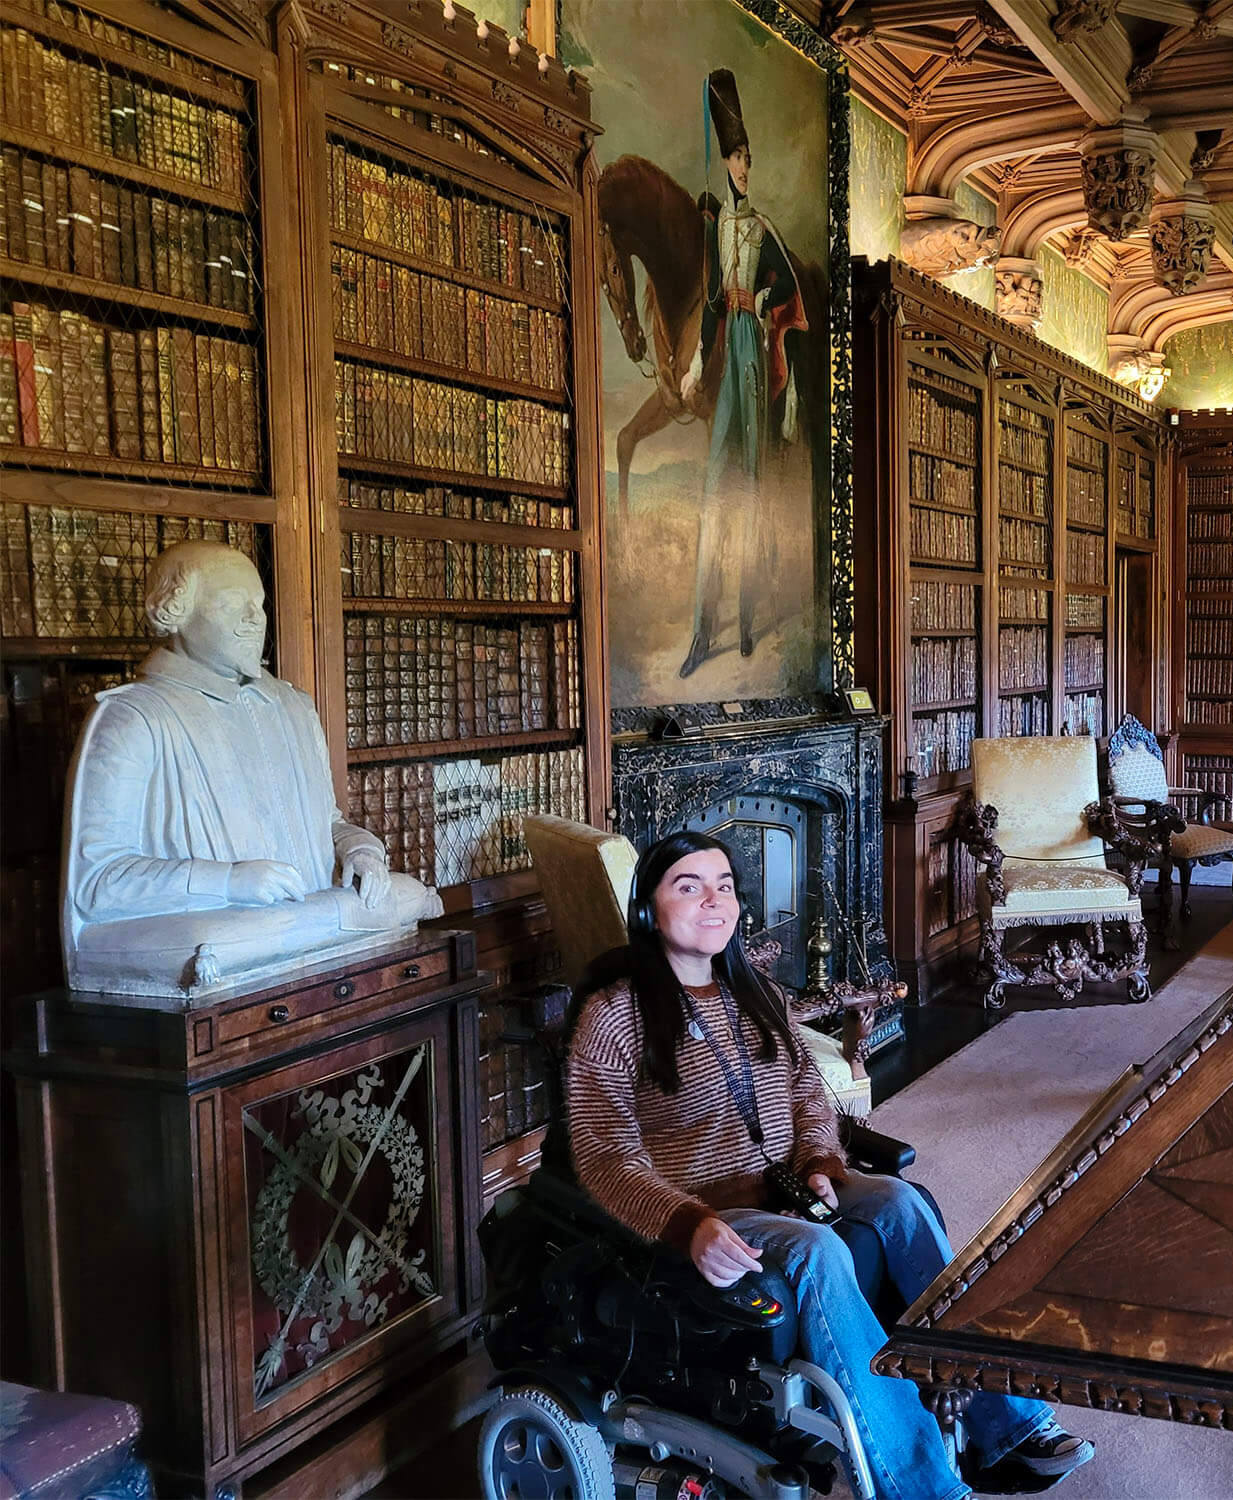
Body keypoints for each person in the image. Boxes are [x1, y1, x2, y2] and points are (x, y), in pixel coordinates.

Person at [564, 831, 1094, 1500]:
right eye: (689, 886)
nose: (713, 901)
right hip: (707, 1209)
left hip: (787, 1185)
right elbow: (604, 1157)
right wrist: (687, 1222)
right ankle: (919, 1484)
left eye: (724, 885)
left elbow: (810, 1095)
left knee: (898, 1203)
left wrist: (820, 1161)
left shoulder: (752, 991)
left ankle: (1009, 1424)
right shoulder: (613, 1016)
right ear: (648, 910)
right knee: (816, 1251)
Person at [63, 540, 439, 996]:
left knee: (403, 893)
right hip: (231, 932)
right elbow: (98, 884)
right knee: (226, 941)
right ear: (176, 613)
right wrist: (227, 881)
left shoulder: (292, 707)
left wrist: (361, 852)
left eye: (258, 604)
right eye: (231, 605)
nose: (254, 619)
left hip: (309, 928)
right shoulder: (132, 718)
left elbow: (328, 825)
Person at [676, 67, 807, 678]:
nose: (744, 166)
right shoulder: (717, 227)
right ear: (725, 162)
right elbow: (707, 300)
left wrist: (760, 297)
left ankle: (748, 616)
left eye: (749, 156)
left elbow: (785, 280)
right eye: (737, 156)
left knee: (751, 483)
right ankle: (702, 630)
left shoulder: (758, 228)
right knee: (713, 487)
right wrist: (700, 356)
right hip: (726, 346)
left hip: (752, 348)